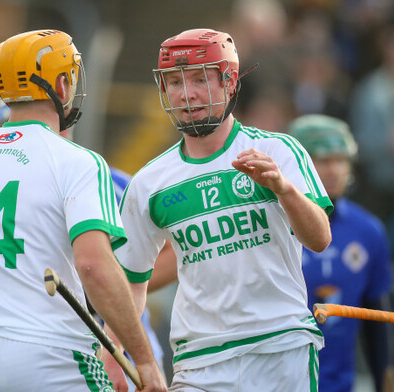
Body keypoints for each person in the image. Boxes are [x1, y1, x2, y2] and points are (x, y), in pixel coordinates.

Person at [0, 29, 166, 392]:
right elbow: (93, 266)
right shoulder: (79, 162)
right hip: (47, 355)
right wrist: (143, 360)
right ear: (62, 85)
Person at [108, 28, 333, 391]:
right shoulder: (149, 182)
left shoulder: (279, 151)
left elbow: (319, 238)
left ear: (229, 82)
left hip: (281, 347)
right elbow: (130, 283)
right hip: (199, 361)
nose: (187, 93)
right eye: (175, 83)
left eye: (199, 79)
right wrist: (114, 354)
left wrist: (283, 188)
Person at [0, 100, 167, 392]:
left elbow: (169, 250)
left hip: (120, 348)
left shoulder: (110, 183)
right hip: (49, 348)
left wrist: (112, 287)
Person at [288, 114, 394, 392]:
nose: (334, 170)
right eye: (323, 160)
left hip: (338, 385)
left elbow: (377, 318)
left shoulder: (368, 231)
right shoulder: (268, 226)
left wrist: (384, 379)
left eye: (342, 159)